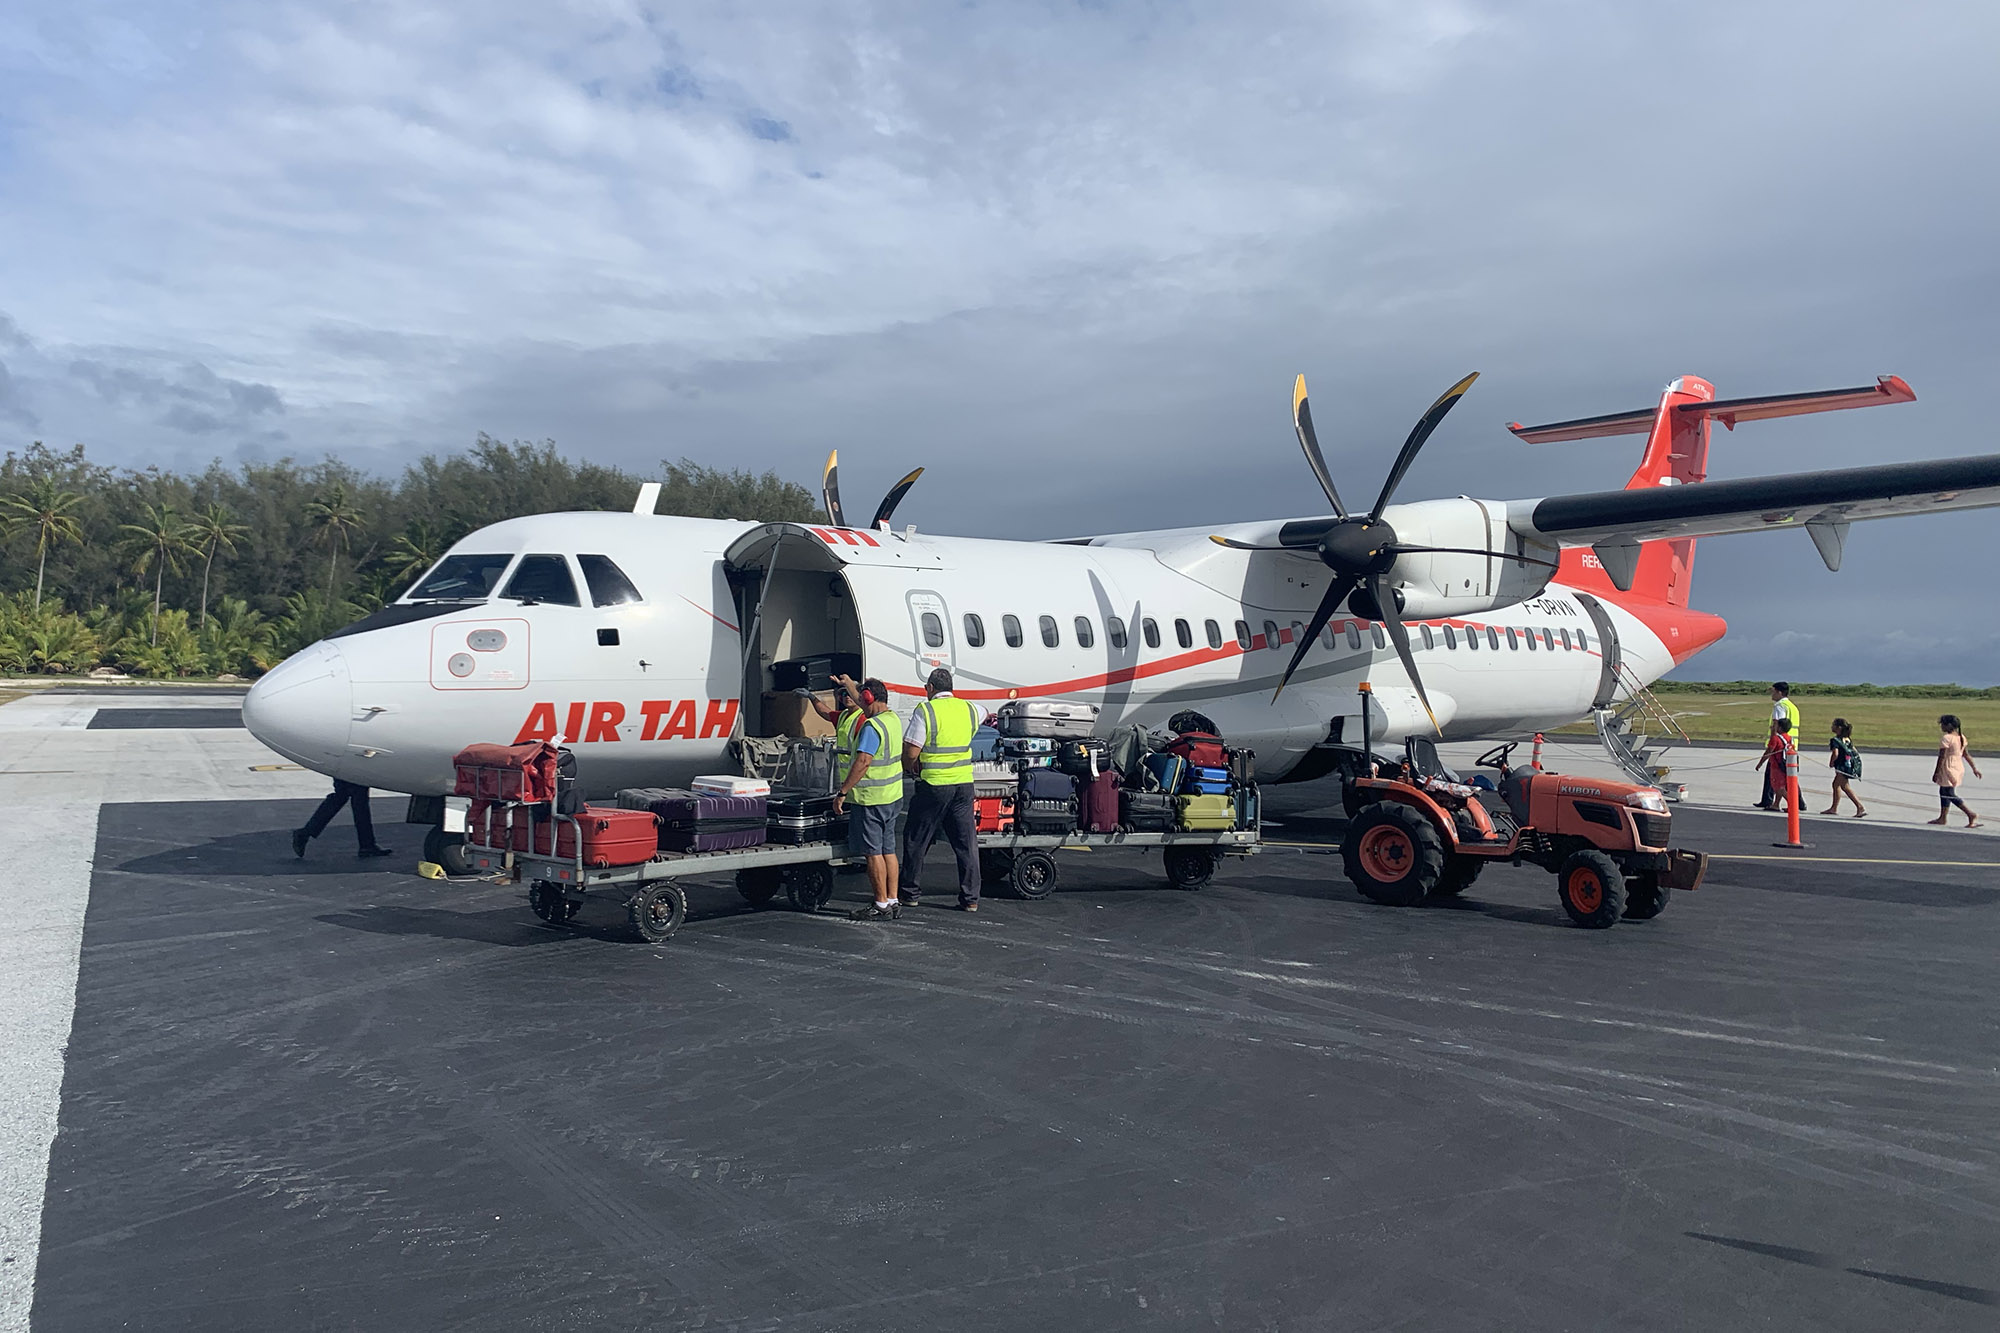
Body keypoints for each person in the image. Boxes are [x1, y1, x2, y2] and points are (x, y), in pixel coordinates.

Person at [899, 667, 987, 912]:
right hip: (963, 785)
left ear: (930, 688)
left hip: (935, 785)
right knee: (966, 844)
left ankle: (909, 893)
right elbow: (984, 712)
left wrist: (909, 767)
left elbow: (912, 751)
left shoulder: (926, 711)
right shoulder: (969, 709)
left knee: (916, 839)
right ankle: (971, 898)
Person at [833, 679, 905, 918]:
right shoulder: (892, 720)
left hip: (871, 799)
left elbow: (863, 761)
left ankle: (880, 904)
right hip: (892, 797)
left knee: (873, 853)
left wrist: (843, 792)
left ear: (868, 698)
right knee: (888, 850)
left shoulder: (871, 727)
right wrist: (848, 683)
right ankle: (893, 900)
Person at [292, 779, 394, 858]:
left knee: (342, 796)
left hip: (343, 764)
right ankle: (367, 845)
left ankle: (306, 832)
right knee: (359, 801)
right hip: (354, 765)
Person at [1929, 714, 1982, 828]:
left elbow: (1942, 757)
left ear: (1949, 725)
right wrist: (1974, 768)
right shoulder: (1961, 737)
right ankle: (1943, 817)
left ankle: (1970, 814)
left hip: (1948, 767)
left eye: (1943, 724)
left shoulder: (1947, 738)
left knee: (1949, 793)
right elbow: (1966, 755)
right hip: (1958, 766)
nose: (1941, 727)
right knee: (1944, 791)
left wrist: (1936, 772)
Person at [1755, 682, 1801, 809]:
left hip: (1779, 747)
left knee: (1774, 777)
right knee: (1789, 776)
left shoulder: (1779, 706)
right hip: (1791, 745)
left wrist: (1773, 741)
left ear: (1779, 692)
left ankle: (1771, 800)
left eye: (1773, 691)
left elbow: (1776, 723)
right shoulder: (1792, 706)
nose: (1772, 694)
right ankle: (1795, 802)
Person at [1822, 718, 1866, 817]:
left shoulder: (1835, 740)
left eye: (1834, 725)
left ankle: (1859, 806)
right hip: (1848, 765)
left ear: (1839, 728)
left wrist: (1831, 762)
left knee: (1845, 786)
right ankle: (1834, 808)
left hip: (1842, 766)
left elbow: (1835, 753)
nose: (1832, 727)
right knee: (1836, 785)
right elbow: (1854, 751)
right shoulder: (1847, 739)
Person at [1753, 716, 1797, 813]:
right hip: (1785, 765)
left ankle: (1793, 804)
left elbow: (1769, 751)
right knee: (1781, 785)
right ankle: (1776, 804)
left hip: (1777, 766)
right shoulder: (1789, 738)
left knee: (1778, 787)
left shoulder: (1776, 739)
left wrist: (1760, 763)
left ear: (1780, 727)